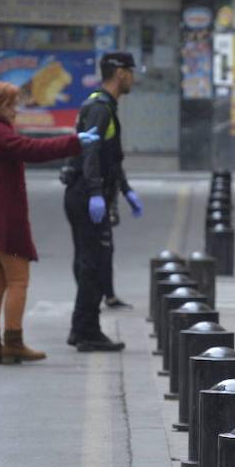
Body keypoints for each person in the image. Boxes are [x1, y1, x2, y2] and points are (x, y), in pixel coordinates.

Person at [0, 81, 98, 364]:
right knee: (18, 281)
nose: (15, 110)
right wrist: (74, 142)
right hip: (5, 221)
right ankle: (13, 343)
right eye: (11, 104)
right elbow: (31, 148)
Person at [63, 51, 141, 351]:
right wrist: (96, 192)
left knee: (90, 263)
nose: (133, 78)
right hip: (86, 195)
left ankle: (79, 328)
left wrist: (125, 190)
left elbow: (110, 156)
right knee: (92, 265)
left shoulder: (104, 105)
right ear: (120, 73)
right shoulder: (100, 108)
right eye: (131, 72)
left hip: (87, 193)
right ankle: (87, 331)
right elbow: (91, 154)